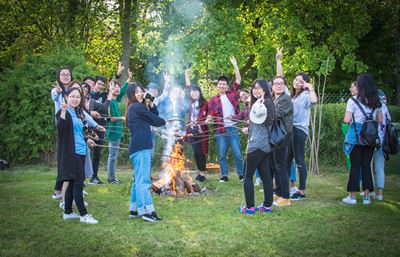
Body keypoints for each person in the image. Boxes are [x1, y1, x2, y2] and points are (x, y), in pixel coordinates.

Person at [57, 87, 98, 224]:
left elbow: (79, 133)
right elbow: (61, 129)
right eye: (72, 96)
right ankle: (84, 215)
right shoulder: (64, 112)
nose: (75, 99)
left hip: (81, 151)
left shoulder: (77, 112)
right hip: (71, 153)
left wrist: (88, 140)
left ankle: (68, 212)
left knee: (73, 181)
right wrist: (63, 110)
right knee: (78, 184)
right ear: (67, 97)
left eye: (78, 97)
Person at [126, 82, 166, 222]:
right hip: (142, 148)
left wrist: (150, 103)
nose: (140, 94)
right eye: (136, 92)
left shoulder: (134, 108)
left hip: (137, 148)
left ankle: (134, 209)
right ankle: (148, 211)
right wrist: (165, 122)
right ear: (131, 94)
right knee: (143, 180)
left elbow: (153, 114)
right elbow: (156, 120)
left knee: (138, 180)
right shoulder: (137, 107)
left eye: (141, 91)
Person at [342, 74, 383, 205]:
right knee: (366, 166)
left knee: (355, 166)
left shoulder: (353, 100)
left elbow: (347, 120)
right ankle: (366, 196)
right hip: (370, 137)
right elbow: (380, 120)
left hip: (356, 137)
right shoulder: (376, 101)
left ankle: (352, 196)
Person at [206, 57, 244, 182]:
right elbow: (210, 115)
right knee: (221, 155)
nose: (221, 86)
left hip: (232, 128)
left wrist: (235, 65)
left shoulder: (232, 93)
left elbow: (238, 79)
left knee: (237, 153)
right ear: (217, 86)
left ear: (227, 86)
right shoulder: (213, 100)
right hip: (220, 130)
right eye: (220, 84)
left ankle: (241, 174)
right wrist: (206, 121)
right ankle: (224, 175)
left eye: (224, 84)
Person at [240, 79, 275, 214]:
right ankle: (267, 206)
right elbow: (264, 124)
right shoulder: (266, 103)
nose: (256, 90)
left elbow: (266, 120)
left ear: (265, 89)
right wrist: (249, 129)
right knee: (266, 176)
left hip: (256, 145)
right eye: (254, 88)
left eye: (259, 88)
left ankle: (249, 207)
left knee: (247, 176)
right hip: (265, 145)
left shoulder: (262, 104)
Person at [286, 73, 318, 200]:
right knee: (286, 161)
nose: (297, 82)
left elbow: (314, 101)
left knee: (299, 161)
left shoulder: (306, 95)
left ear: (304, 83)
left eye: (300, 81)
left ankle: (302, 192)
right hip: (289, 130)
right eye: (296, 79)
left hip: (299, 131)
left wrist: (310, 87)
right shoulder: (292, 96)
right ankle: (288, 187)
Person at [271, 75, 293, 206]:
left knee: (281, 166)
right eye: (276, 83)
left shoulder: (285, 99)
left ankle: (286, 197)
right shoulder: (275, 98)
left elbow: (275, 115)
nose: (278, 85)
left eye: (281, 83)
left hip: (283, 136)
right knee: (275, 166)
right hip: (276, 136)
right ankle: (278, 192)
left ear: (284, 86)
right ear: (272, 86)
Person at [106, 73, 131, 184]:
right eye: (114, 87)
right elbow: (111, 119)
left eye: (118, 87)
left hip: (117, 132)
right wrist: (122, 117)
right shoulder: (110, 101)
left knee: (114, 155)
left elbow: (124, 89)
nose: (117, 88)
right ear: (110, 89)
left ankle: (113, 177)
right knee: (112, 156)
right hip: (113, 132)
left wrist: (129, 78)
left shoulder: (116, 99)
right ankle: (111, 178)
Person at [185, 68, 209, 182]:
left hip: (202, 131)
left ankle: (202, 173)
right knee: (195, 152)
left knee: (202, 152)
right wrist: (186, 73)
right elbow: (188, 86)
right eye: (192, 91)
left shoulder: (204, 103)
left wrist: (199, 121)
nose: (193, 93)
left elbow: (207, 116)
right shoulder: (190, 102)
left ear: (199, 92)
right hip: (192, 131)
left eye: (196, 91)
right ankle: (200, 172)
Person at [89, 75, 109, 184]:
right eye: (99, 84)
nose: (100, 86)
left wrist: (118, 75)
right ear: (94, 84)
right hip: (89, 127)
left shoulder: (105, 95)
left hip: (101, 127)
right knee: (85, 152)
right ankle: (80, 178)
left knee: (97, 153)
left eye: (102, 85)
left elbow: (116, 90)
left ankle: (94, 176)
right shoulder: (89, 95)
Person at [371, 89, 390, 201]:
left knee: (368, 166)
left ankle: (371, 190)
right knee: (380, 167)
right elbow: (388, 122)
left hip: (370, 140)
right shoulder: (385, 108)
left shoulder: (371, 107)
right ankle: (380, 193)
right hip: (382, 142)